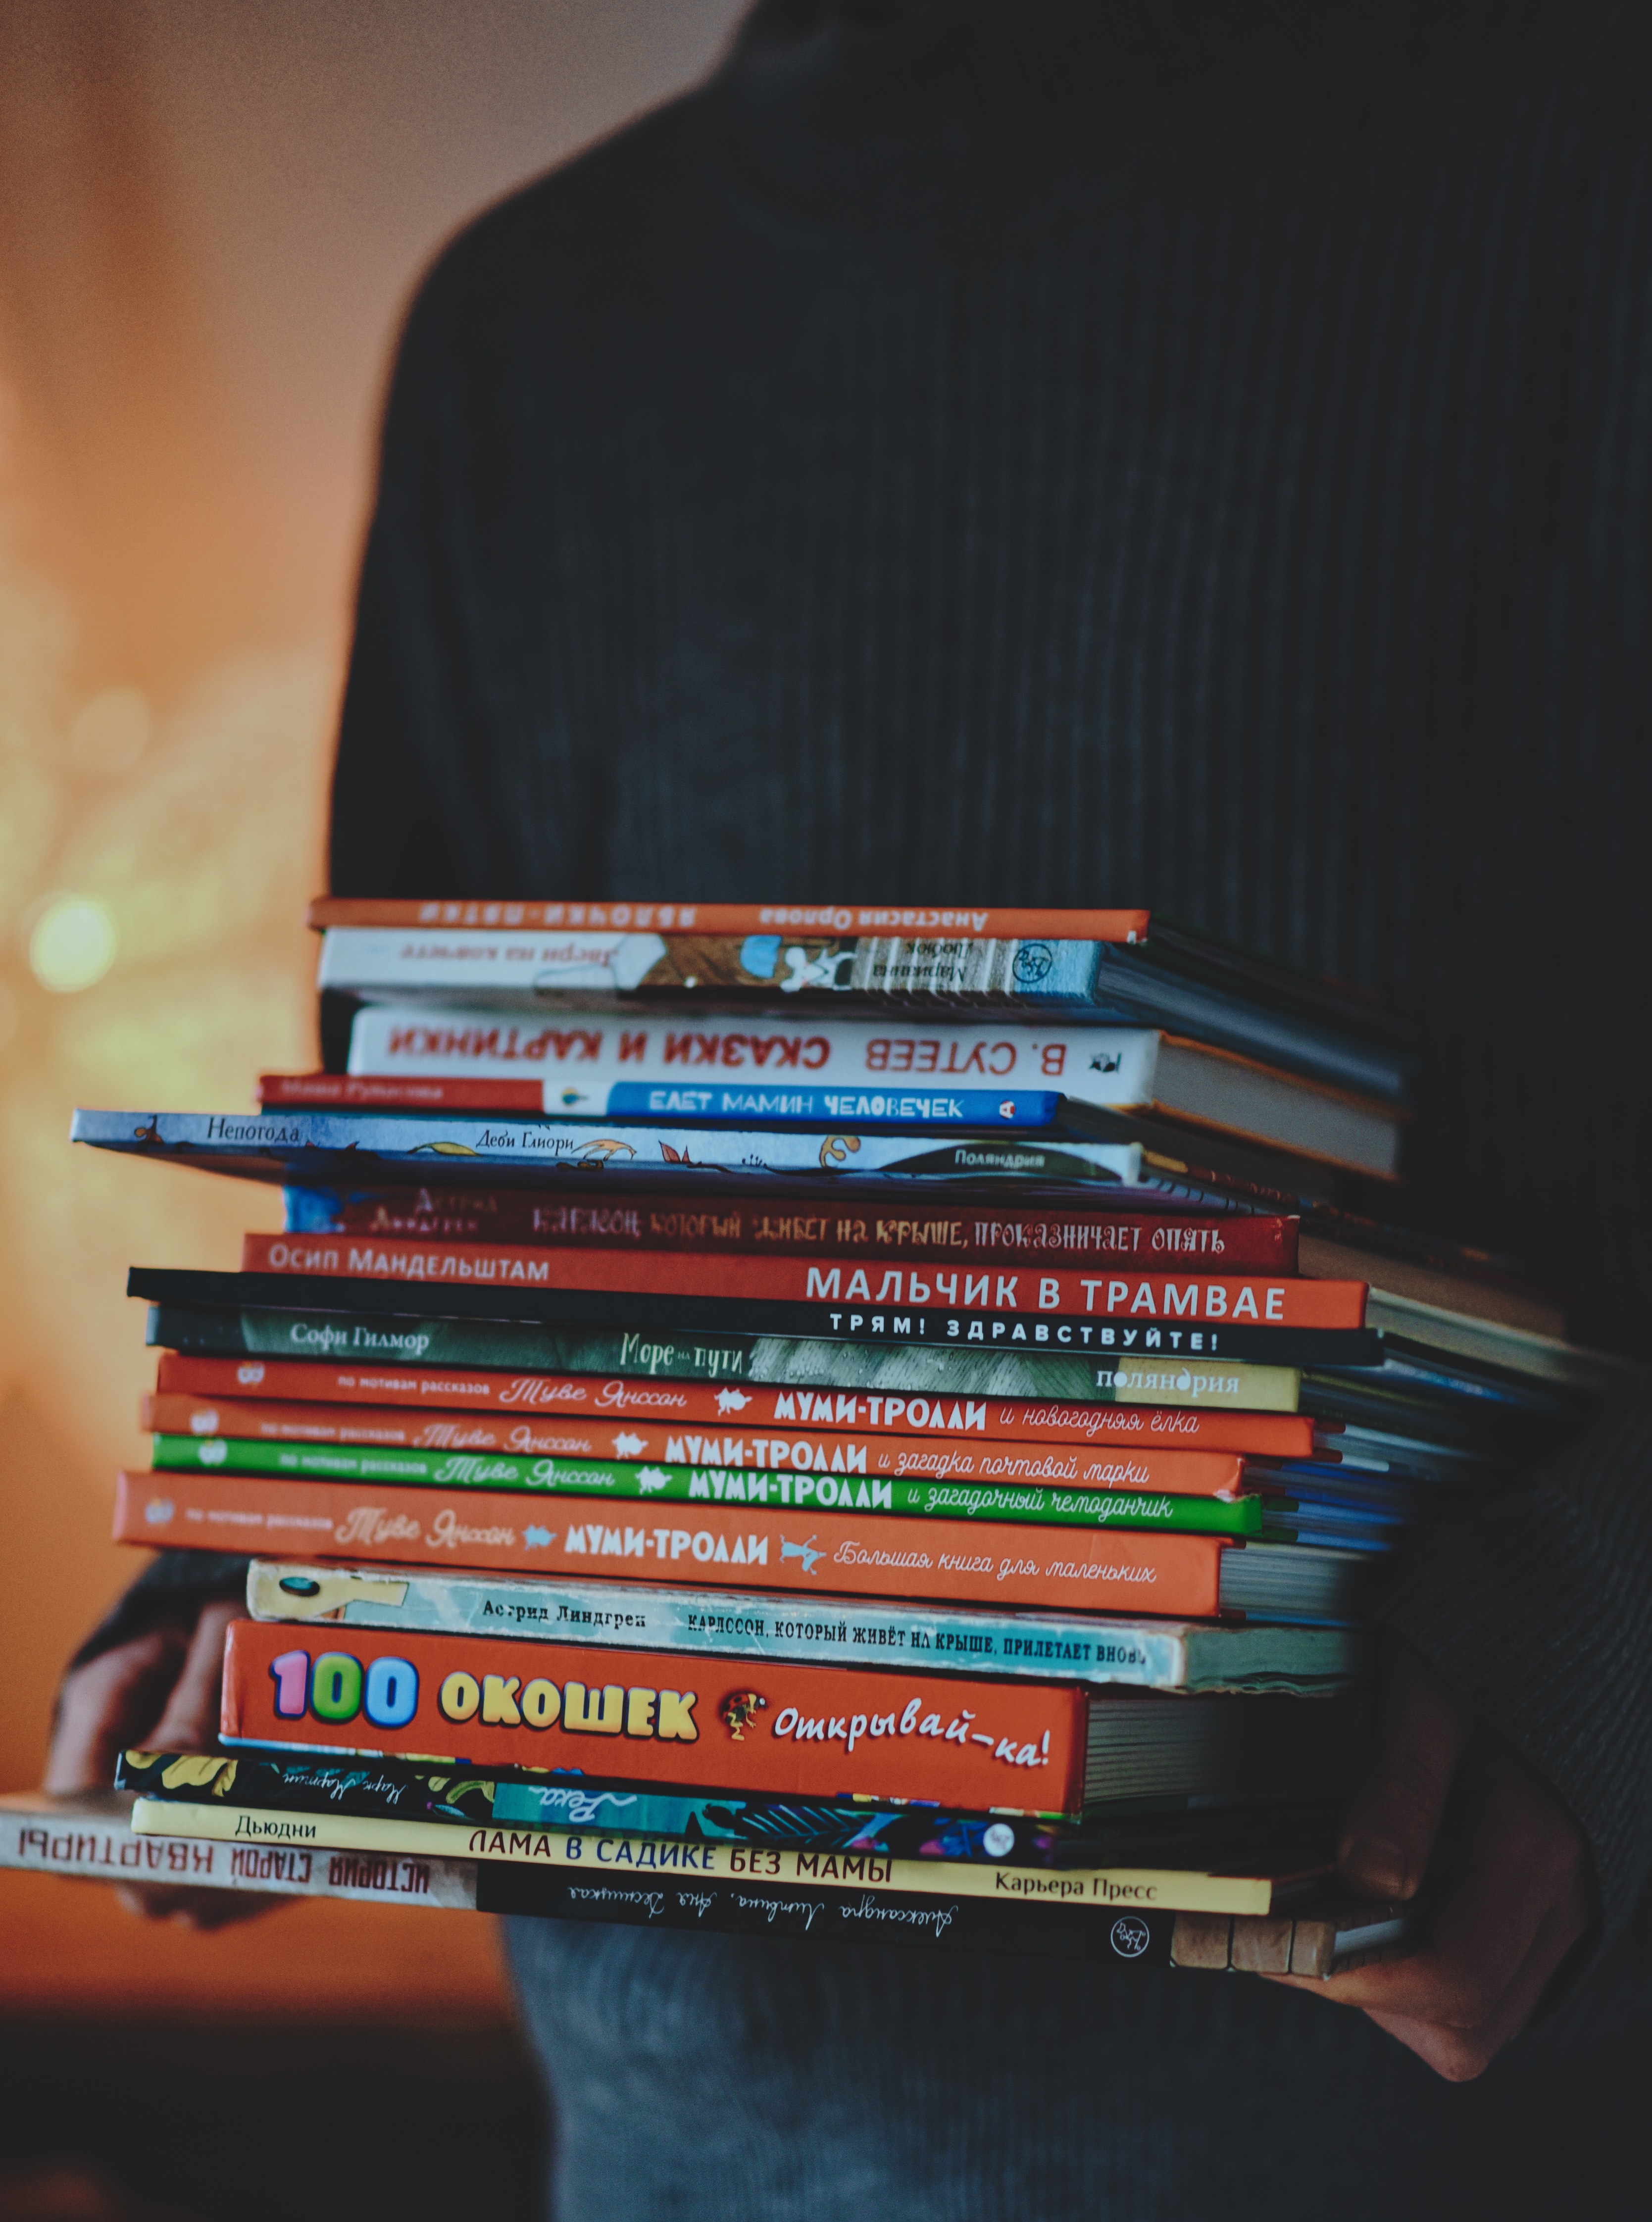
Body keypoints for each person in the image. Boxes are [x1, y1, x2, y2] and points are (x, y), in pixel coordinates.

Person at [49, 2, 1652, 2213]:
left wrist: (1575, 1709)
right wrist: (256, 1598)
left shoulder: (1587, 173)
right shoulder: (523, 325)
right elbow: (434, 1207)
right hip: (673, 2132)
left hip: (1409, 2127)